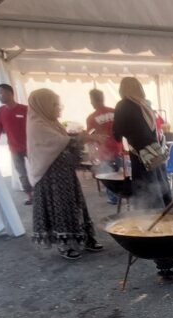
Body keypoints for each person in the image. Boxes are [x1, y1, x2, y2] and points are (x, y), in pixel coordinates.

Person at [26, 88, 104, 261]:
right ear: (43, 105)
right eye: (54, 105)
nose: (58, 108)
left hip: (65, 174)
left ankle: (85, 238)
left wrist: (83, 138)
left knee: (75, 205)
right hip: (50, 178)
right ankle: (65, 243)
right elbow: (61, 142)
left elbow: (66, 140)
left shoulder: (52, 122)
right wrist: (86, 138)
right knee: (59, 209)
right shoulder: (37, 124)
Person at [111, 77, 173, 276]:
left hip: (142, 162)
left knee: (150, 206)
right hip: (156, 159)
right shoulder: (145, 105)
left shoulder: (123, 106)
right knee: (163, 200)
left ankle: (160, 256)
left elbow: (116, 134)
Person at [0, 83, 34, 205]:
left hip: (30, 147)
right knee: (22, 173)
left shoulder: (25, 109)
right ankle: (30, 196)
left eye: (1, 93)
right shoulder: (0, 111)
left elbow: (35, 126)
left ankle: (41, 193)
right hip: (14, 149)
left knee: (36, 170)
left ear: (10, 93)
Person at [85, 88, 122, 205]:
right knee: (121, 174)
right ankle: (123, 195)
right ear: (102, 98)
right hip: (119, 148)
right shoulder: (114, 112)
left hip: (104, 152)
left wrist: (91, 153)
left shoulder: (92, 118)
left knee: (109, 176)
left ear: (92, 100)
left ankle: (113, 198)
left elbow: (89, 137)